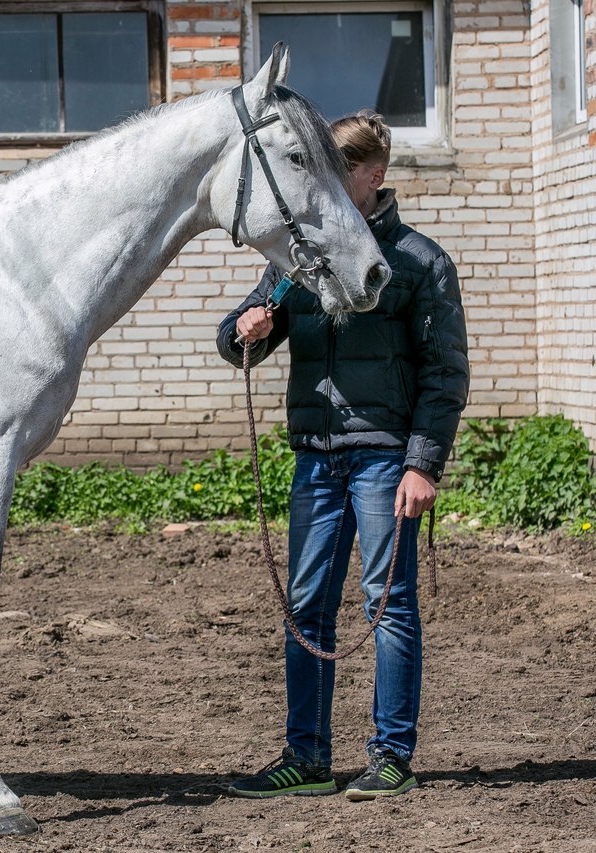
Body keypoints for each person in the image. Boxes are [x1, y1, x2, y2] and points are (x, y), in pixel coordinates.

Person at [215, 110, 469, 800]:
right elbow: (236, 333)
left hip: (386, 457)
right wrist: (248, 328)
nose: (320, 185)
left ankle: (390, 755)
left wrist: (424, 462)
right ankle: (307, 757)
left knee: (387, 607)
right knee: (305, 604)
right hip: (316, 458)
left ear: (372, 176)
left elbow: (446, 374)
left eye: (336, 171)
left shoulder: (420, 262)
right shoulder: (298, 254)